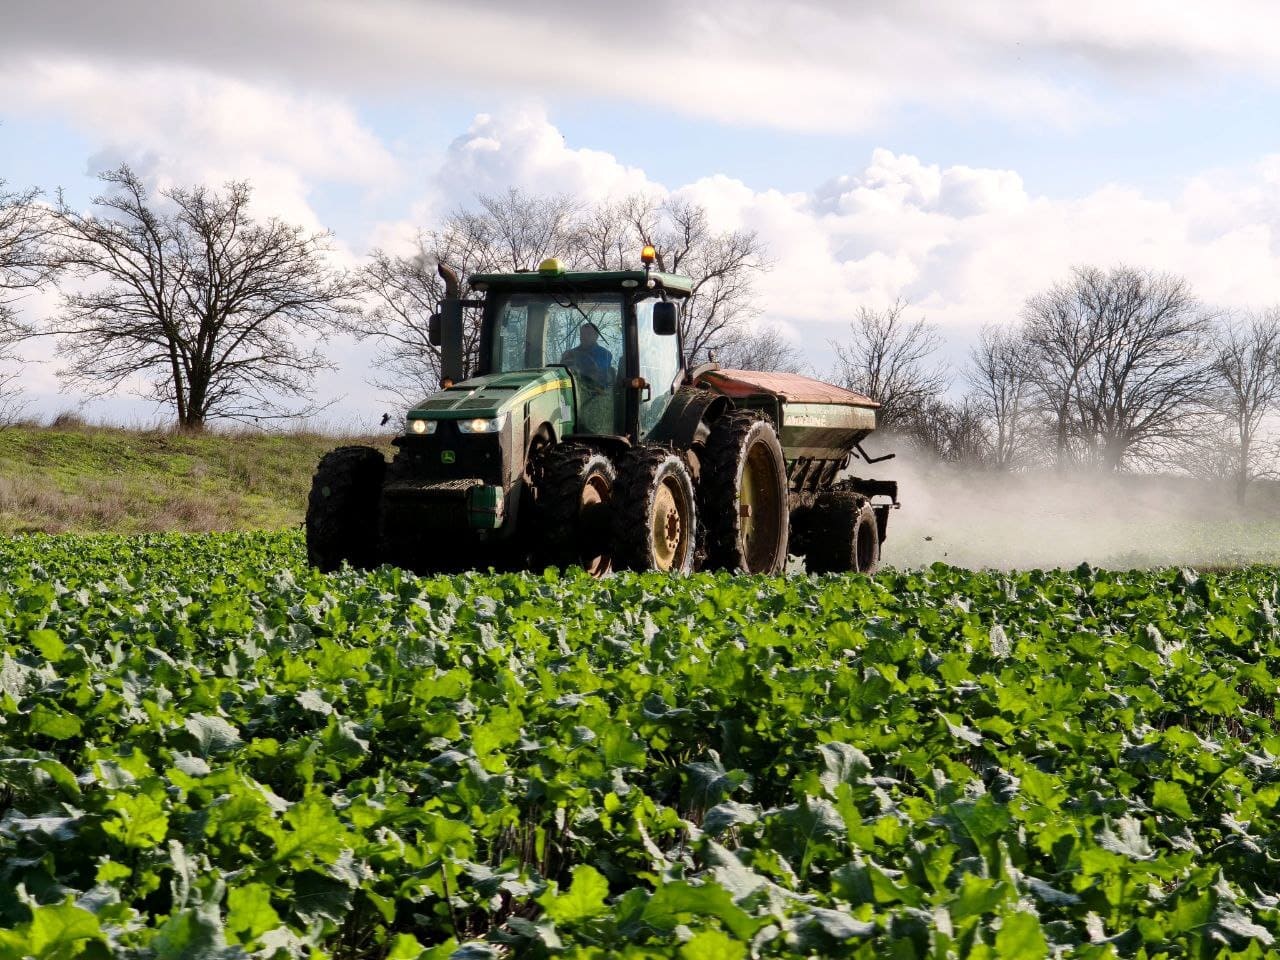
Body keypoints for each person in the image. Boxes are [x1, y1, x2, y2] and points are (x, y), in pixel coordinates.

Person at [561, 322, 614, 388]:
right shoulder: (570, 354)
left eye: (589, 334)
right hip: (574, 389)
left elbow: (600, 375)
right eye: (582, 334)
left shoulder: (605, 354)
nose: (584, 337)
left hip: (598, 392)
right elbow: (563, 375)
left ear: (596, 336)